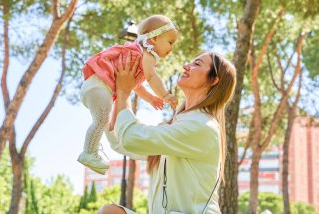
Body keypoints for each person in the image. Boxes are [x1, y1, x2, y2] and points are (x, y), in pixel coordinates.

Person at [99, 51, 237, 214]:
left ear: (214, 80)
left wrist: (124, 91)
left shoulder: (203, 126)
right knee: (110, 211)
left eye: (197, 64)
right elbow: (122, 143)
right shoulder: (180, 124)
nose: (186, 66)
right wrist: (118, 91)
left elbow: (131, 138)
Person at [78, 15, 179, 174]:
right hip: (100, 84)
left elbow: (135, 86)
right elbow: (152, 76)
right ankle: (89, 153)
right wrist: (165, 95)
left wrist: (151, 98)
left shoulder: (137, 56)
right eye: (170, 42)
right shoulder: (148, 55)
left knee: (103, 121)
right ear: (153, 39)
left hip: (95, 86)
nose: (171, 48)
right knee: (102, 120)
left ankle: (92, 152)